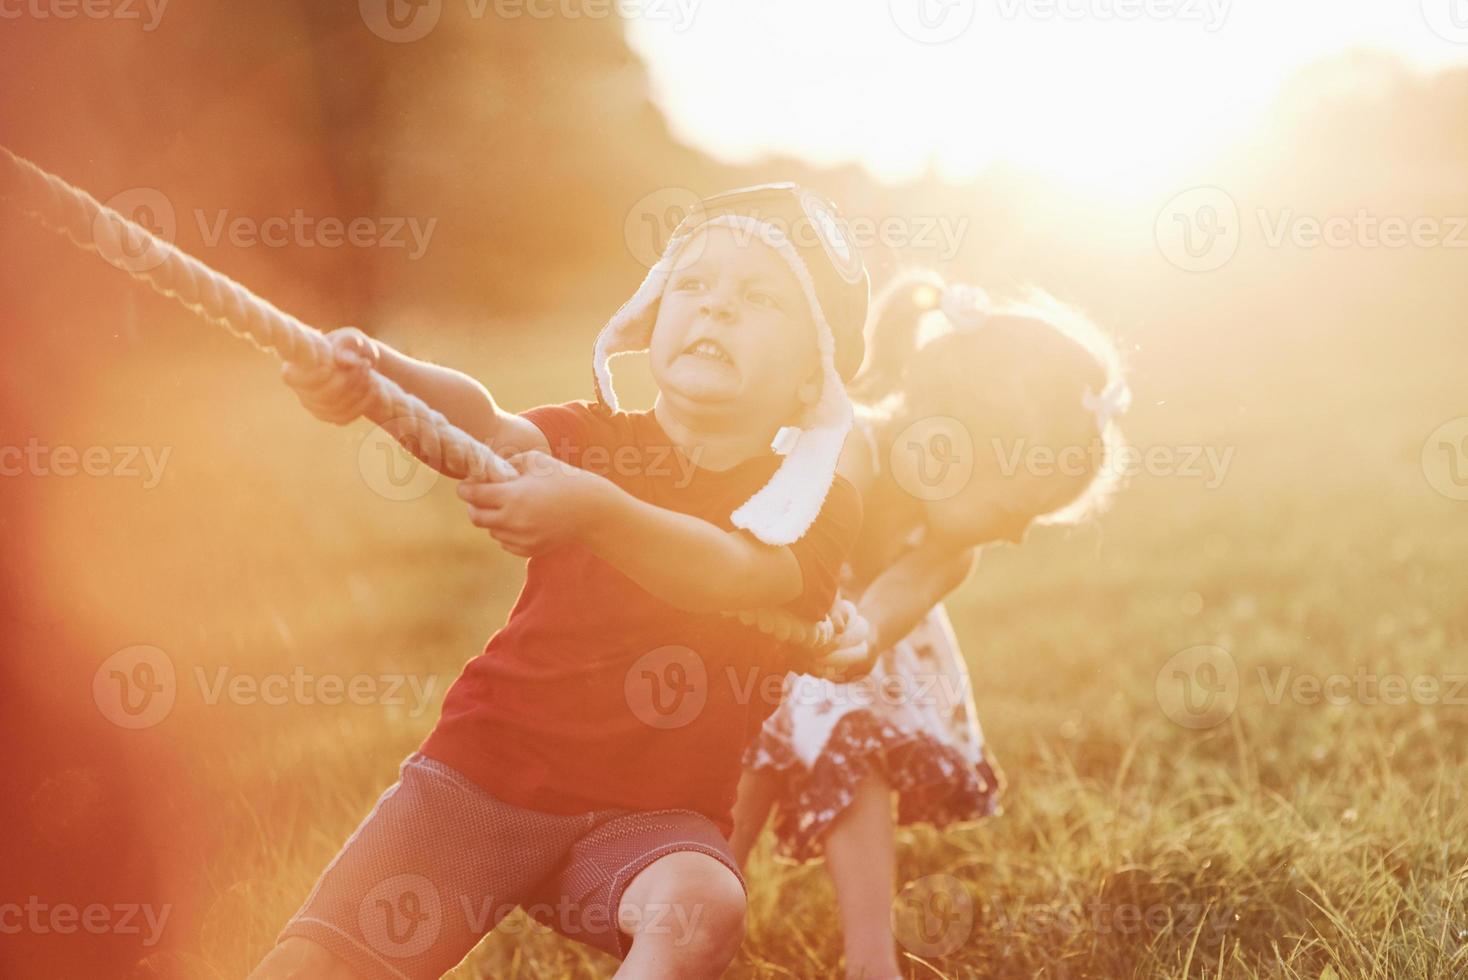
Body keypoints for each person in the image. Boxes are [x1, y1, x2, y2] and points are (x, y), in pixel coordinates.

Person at [246, 184, 871, 980]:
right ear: (651, 318)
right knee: (314, 967)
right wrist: (378, 378)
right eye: (693, 285)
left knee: (703, 905)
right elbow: (486, 428)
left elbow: (735, 574)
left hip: (648, 823)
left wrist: (598, 514)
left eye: (758, 298)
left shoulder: (808, 502)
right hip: (479, 781)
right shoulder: (587, 440)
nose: (715, 310)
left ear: (814, 376)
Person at [731, 271, 1131, 980]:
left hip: (841, 642)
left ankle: (870, 959)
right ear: (950, 451)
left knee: (855, 734)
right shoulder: (845, 449)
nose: (1013, 536)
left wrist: (862, 636)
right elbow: (788, 556)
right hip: (757, 612)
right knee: (742, 762)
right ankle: (699, 896)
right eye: (1014, 512)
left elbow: (900, 595)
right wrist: (815, 625)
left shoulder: (954, 553)